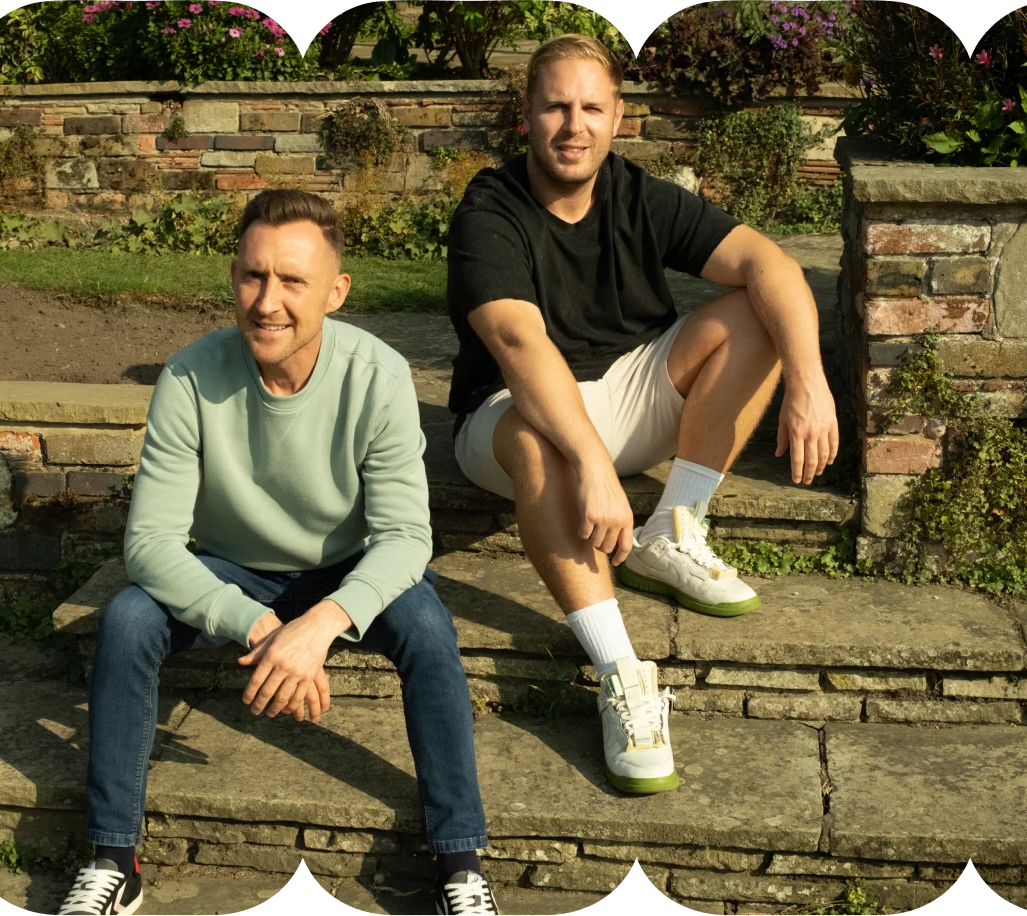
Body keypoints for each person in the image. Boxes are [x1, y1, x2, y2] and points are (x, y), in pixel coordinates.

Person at [58, 190, 499, 916]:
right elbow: (149, 544)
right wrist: (262, 630)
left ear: (336, 291)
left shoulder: (377, 374)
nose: (267, 302)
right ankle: (113, 857)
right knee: (129, 621)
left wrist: (321, 623)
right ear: (233, 275)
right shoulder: (190, 377)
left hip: (344, 568)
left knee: (426, 628)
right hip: (227, 567)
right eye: (252, 276)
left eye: (292, 281)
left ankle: (459, 861)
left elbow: (405, 540)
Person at [446, 34, 840, 795]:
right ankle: (621, 673)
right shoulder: (487, 211)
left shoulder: (635, 193)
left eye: (590, 107)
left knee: (751, 311)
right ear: (525, 114)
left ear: (618, 117)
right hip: (507, 417)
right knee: (540, 437)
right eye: (555, 106)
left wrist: (809, 382)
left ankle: (670, 528)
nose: (573, 125)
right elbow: (519, 345)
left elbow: (772, 264)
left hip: (630, 393)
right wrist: (590, 462)